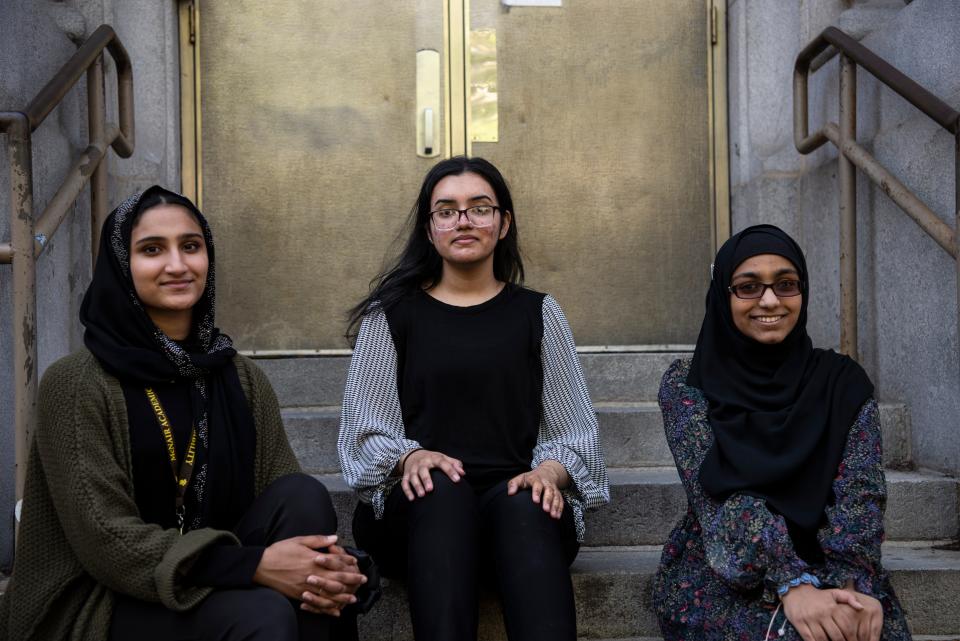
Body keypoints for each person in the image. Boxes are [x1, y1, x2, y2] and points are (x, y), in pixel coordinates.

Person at [0, 186, 374, 641]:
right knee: (263, 614)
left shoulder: (240, 376)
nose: (177, 265)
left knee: (303, 497)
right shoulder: (77, 383)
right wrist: (252, 565)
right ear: (120, 266)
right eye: (152, 250)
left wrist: (338, 567)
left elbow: (284, 496)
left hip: (209, 579)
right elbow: (107, 541)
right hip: (102, 600)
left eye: (191, 246)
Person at [338, 156, 609, 641]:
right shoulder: (392, 315)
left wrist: (549, 472)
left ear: (503, 223)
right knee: (441, 489)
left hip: (517, 519)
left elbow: (578, 435)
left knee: (526, 501)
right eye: (447, 210)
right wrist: (411, 456)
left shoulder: (539, 313)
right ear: (429, 228)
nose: (463, 220)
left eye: (479, 208)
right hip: (419, 519)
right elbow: (364, 434)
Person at [652, 224, 910, 641]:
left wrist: (846, 585)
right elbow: (717, 499)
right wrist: (792, 582)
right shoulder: (688, 386)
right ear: (723, 294)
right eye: (748, 287)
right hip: (726, 565)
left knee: (867, 631)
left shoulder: (842, 382)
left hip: (830, 558)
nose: (770, 300)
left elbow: (861, 496)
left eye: (786, 284)